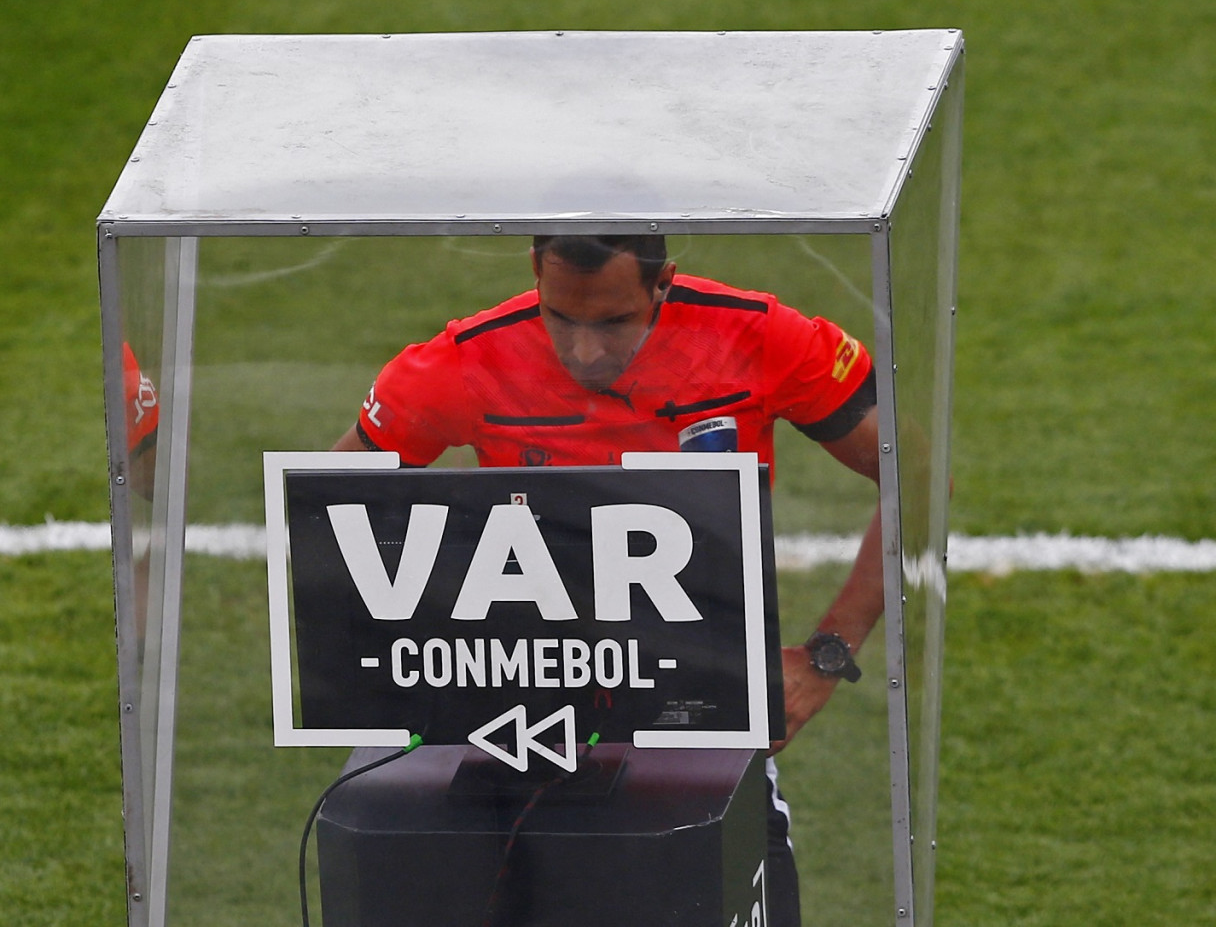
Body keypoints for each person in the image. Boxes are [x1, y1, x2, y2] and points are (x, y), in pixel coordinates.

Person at [333, 234, 885, 927]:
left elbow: (916, 478)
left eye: (614, 324)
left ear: (664, 285)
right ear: (536, 272)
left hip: (694, 732)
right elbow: (335, 505)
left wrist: (825, 657)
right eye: (561, 318)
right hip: (514, 728)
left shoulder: (763, 337)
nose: (585, 351)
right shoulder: (463, 363)